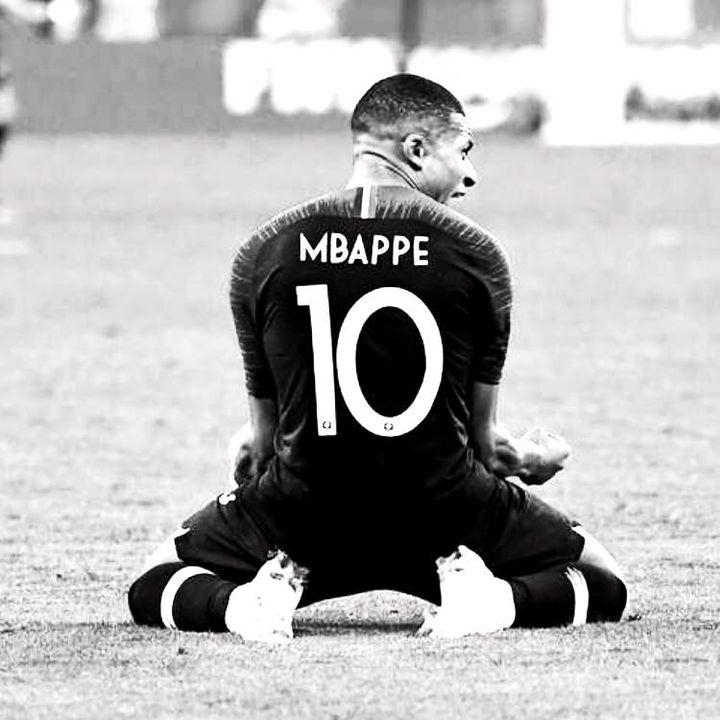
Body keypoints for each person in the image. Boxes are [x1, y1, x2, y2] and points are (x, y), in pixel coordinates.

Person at [128, 74, 627, 641]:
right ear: (416, 149)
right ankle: (491, 604)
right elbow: (491, 449)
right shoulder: (476, 254)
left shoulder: (264, 251)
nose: (470, 174)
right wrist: (538, 456)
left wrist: (250, 485)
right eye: (463, 151)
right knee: (603, 582)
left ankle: (247, 607)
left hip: (305, 523)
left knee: (154, 581)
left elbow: (259, 447)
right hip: (446, 522)